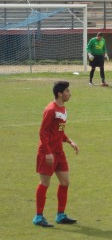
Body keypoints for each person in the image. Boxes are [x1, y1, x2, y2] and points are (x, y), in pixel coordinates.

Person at [32, 81, 79, 227]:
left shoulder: (63, 109)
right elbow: (43, 132)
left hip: (59, 152)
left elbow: (59, 131)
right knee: (45, 183)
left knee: (65, 182)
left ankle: (60, 215)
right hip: (47, 153)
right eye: (67, 91)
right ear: (60, 93)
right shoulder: (50, 110)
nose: (69, 93)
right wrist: (47, 152)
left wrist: (69, 141)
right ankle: (38, 217)